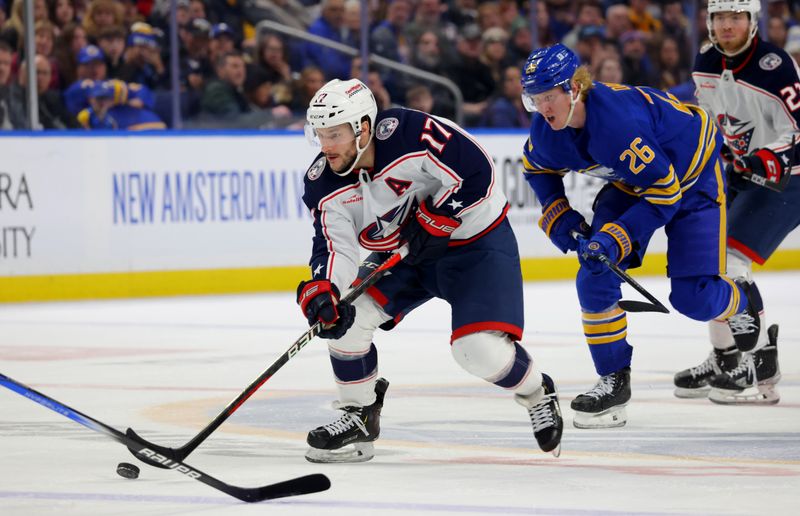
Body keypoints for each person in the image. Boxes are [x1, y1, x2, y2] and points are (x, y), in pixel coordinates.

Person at [297, 78, 563, 463]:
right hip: (407, 255)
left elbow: (476, 170)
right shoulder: (323, 183)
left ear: (364, 129)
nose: (325, 146)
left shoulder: (411, 134)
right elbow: (334, 246)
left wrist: (437, 218)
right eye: (320, 135)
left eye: (335, 134)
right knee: (348, 320)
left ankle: (538, 392)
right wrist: (325, 290)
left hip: (475, 242)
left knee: (475, 350)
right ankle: (357, 416)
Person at [519, 43, 767, 429]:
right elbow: (536, 170)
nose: (542, 107)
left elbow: (666, 195)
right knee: (594, 274)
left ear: (575, 88)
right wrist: (562, 218)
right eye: (533, 98)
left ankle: (738, 300)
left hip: (691, 180)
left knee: (694, 297)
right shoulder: (547, 129)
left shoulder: (617, 126)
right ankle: (614, 380)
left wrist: (616, 237)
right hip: (638, 183)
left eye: (548, 96)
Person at [675, 0, 791, 404]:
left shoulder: (775, 65)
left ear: (752, 21)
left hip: (787, 179)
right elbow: (710, 120)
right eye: (720, 17)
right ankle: (727, 358)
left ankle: (756, 362)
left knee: (730, 260)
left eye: (736, 17)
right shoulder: (705, 60)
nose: (727, 25)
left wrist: (764, 158)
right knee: (709, 260)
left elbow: (798, 131)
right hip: (738, 173)